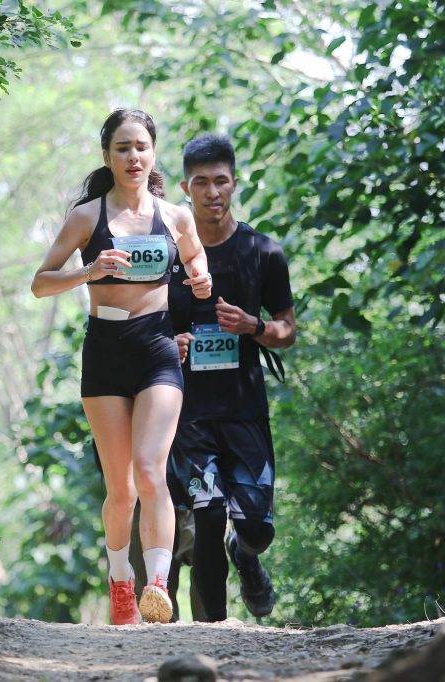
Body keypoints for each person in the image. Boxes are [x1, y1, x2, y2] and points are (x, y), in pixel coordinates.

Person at [31, 109, 211, 625]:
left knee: (153, 470)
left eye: (141, 147)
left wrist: (199, 282)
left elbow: (197, 263)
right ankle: (121, 582)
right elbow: (40, 282)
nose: (133, 157)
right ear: (107, 156)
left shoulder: (175, 216)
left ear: (153, 152)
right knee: (121, 487)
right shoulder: (87, 217)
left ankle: (157, 583)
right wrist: (90, 269)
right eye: (122, 148)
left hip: (157, 346)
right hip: (105, 349)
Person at [166, 133, 297, 622]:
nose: (212, 192)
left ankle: (245, 557)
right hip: (188, 414)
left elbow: (287, 331)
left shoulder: (263, 251)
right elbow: (145, 322)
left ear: (234, 183)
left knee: (257, 527)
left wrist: (253, 326)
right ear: (186, 188)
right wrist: (169, 343)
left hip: (244, 410)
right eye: (201, 183)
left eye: (221, 181)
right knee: (206, 511)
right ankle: (213, 634)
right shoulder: (170, 254)